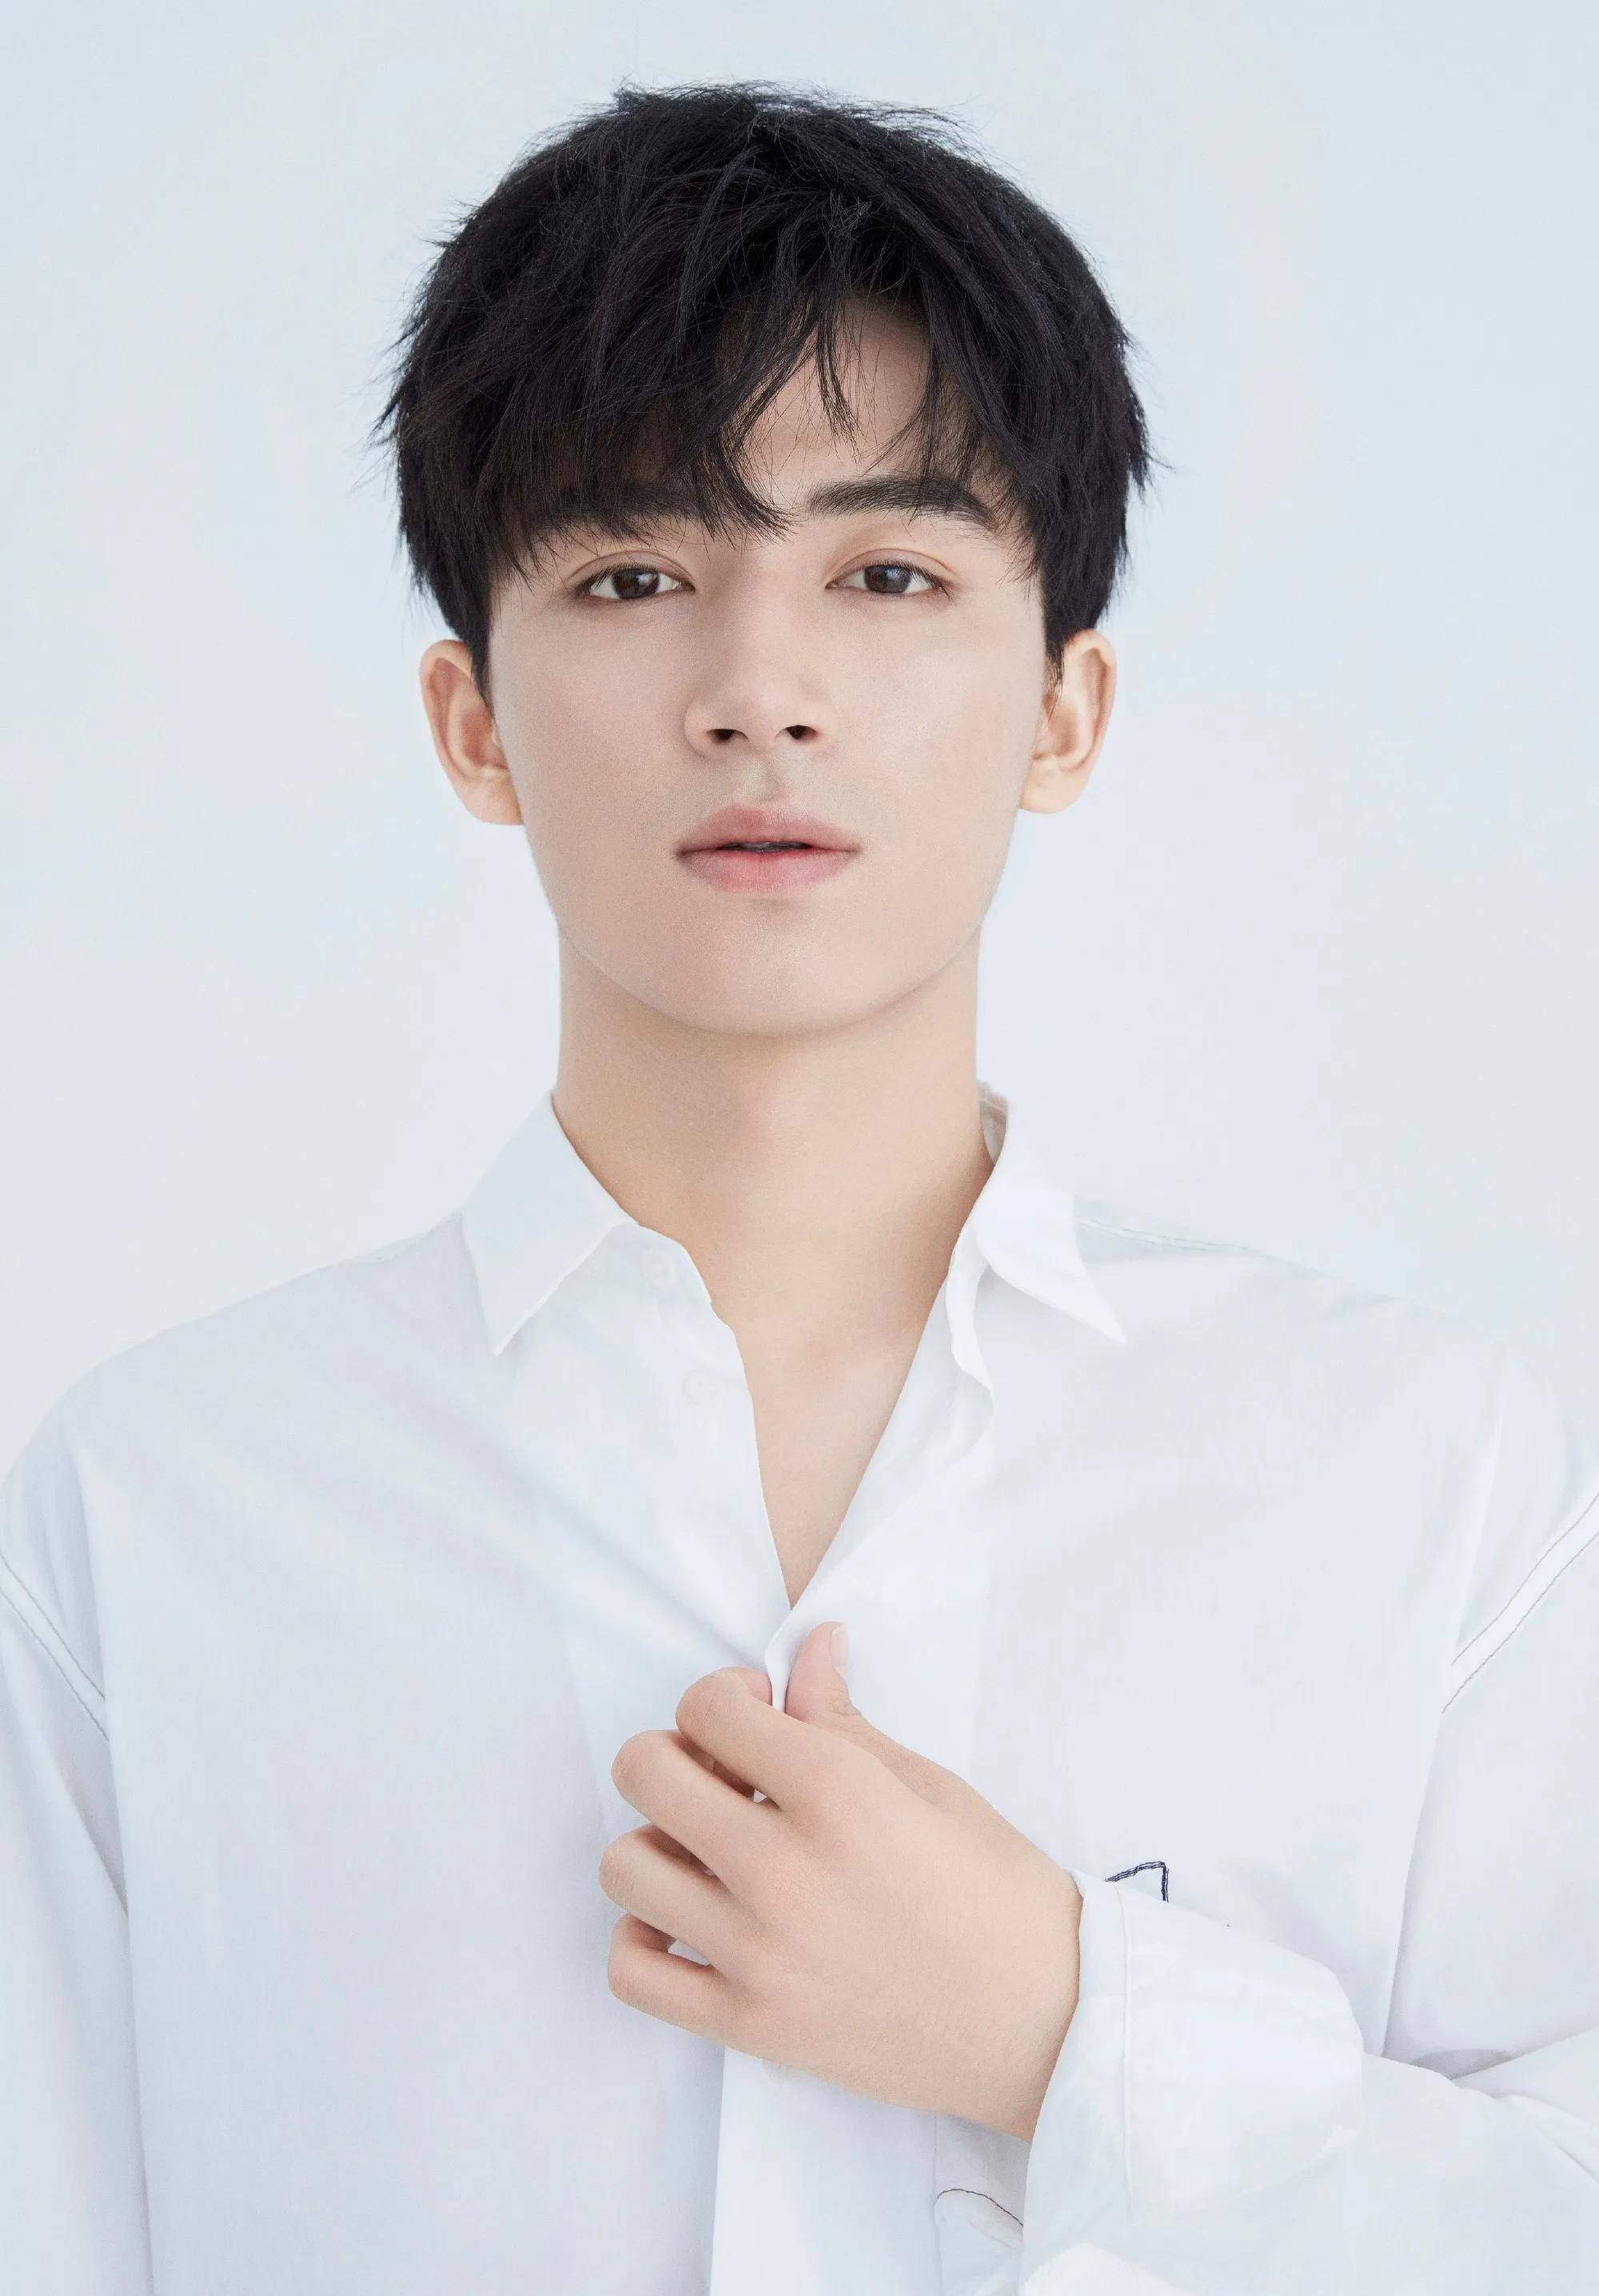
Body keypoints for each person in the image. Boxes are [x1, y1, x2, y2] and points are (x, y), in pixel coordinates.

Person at [3, 77, 1597, 2296]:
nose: (761, 690)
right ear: (472, 721)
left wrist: (1073, 2034)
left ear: (1066, 710)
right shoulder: (153, 1520)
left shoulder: (1433, 1483)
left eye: (889, 573)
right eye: (636, 575)